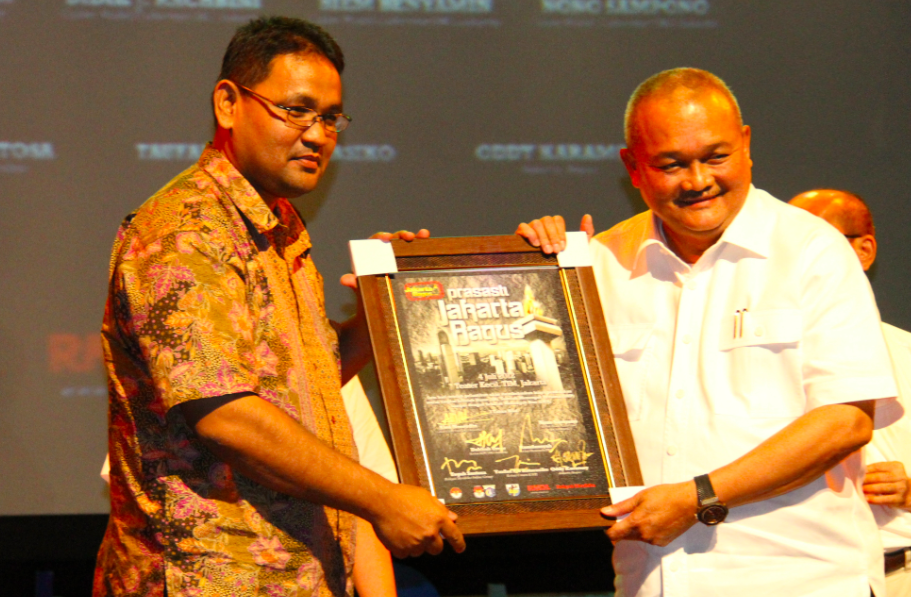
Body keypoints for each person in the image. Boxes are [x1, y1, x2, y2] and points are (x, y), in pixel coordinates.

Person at [94, 16, 464, 597]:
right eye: (296, 111)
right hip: (204, 579)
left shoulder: (279, 226)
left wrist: (381, 313)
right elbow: (226, 415)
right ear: (228, 103)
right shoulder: (185, 230)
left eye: (330, 118)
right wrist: (383, 500)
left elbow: (300, 387)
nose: (317, 135)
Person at [517, 68, 899, 596]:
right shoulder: (599, 264)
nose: (698, 180)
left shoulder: (812, 250)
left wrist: (697, 497)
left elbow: (845, 421)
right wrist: (513, 270)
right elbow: (533, 411)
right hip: (652, 580)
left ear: (746, 145)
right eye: (671, 164)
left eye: (716, 157)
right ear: (633, 167)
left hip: (803, 580)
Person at [790, 189, 911, 595]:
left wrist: (909, 491)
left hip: (900, 576)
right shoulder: (749, 359)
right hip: (795, 576)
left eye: (818, 243)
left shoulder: (907, 353)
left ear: (864, 251)